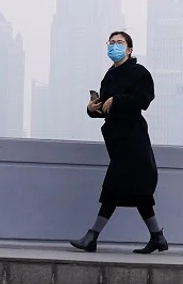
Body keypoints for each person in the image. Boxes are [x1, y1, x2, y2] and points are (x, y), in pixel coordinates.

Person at [70, 31, 168, 254]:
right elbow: (105, 108)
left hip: (133, 139)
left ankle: (92, 236)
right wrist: (92, 108)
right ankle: (157, 237)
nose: (115, 46)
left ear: (130, 49)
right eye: (111, 42)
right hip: (117, 139)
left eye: (120, 43)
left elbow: (144, 100)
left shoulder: (139, 72)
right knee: (138, 192)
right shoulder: (109, 75)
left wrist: (118, 99)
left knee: (114, 186)